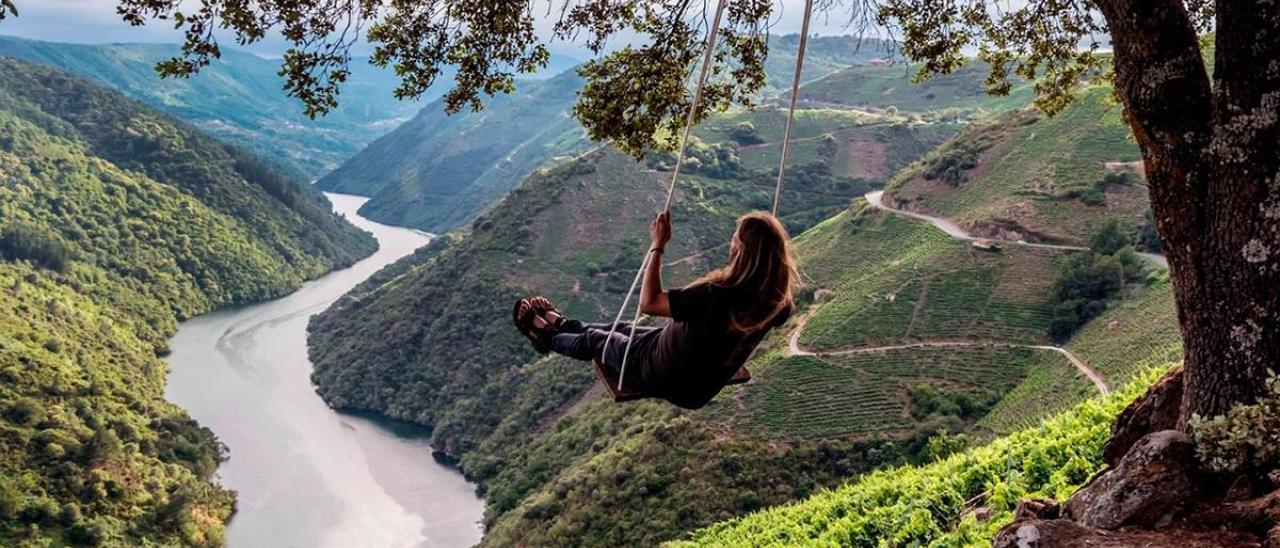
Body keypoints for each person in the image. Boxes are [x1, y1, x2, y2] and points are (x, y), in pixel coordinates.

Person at [513, 210, 797, 410]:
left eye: (735, 238)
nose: (730, 240)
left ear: (743, 251)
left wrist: (657, 245)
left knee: (599, 341)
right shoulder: (777, 303)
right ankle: (564, 325)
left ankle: (546, 337)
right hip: (694, 377)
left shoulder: (714, 295)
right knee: (620, 329)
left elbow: (649, 302)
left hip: (660, 372)